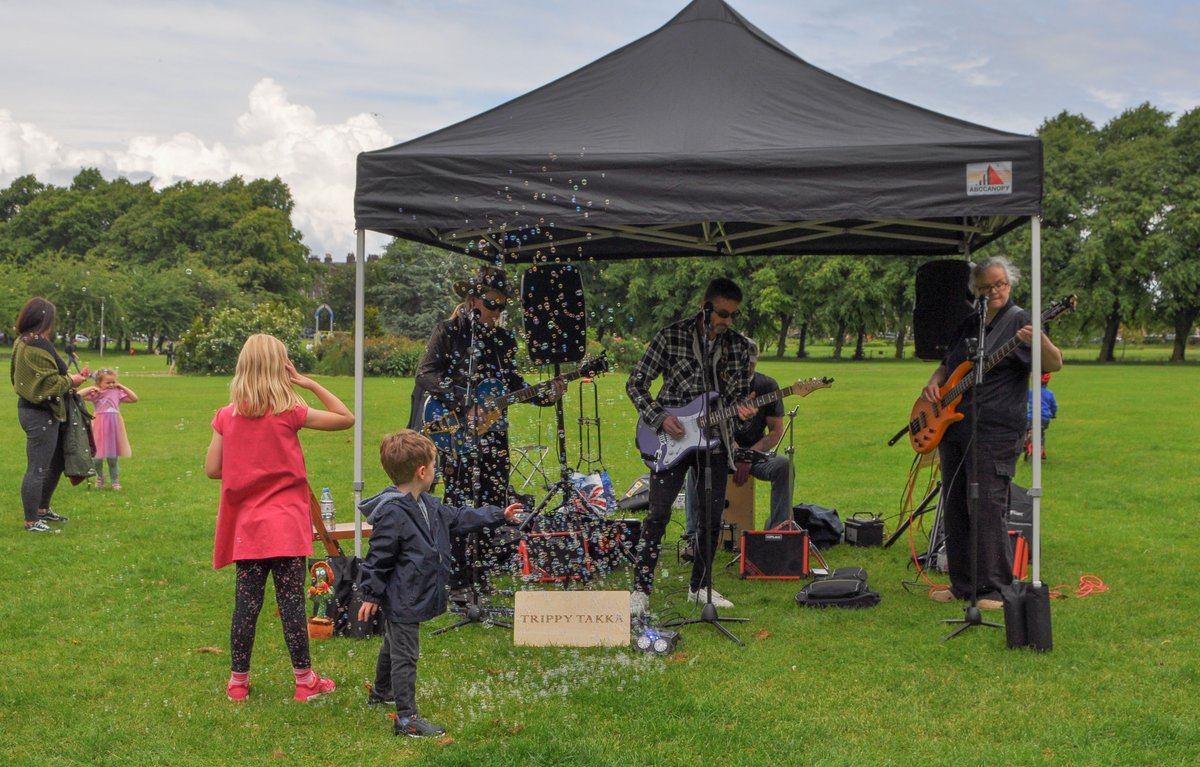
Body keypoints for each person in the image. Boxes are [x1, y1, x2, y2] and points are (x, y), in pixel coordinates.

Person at [204, 333, 354, 702]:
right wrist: (308, 383)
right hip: (285, 525)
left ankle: (238, 683)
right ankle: (305, 682)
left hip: (249, 528)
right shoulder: (291, 412)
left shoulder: (226, 416)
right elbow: (345, 418)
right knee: (291, 604)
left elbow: (212, 469)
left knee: (246, 604)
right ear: (280, 368)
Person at [357, 429, 524, 737]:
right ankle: (406, 718)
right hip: (403, 596)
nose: (437, 470)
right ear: (423, 472)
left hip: (415, 594)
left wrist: (498, 515)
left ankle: (381, 692)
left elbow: (460, 518)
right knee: (406, 654)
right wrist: (370, 594)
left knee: (394, 643)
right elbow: (378, 557)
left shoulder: (428, 504)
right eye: (434, 465)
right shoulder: (394, 513)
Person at [919, 256, 1062, 610]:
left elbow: (1055, 362)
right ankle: (963, 583)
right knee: (954, 505)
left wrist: (1039, 339)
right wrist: (935, 382)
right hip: (954, 426)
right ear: (975, 291)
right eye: (985, 287)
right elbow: (948, 364)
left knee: (986, 506)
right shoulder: (969, 322)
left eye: (1000, 285)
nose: (994, 292)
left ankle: (995, 588)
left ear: (1009, 284)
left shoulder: (1020, 321)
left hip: (995, 430)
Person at [412, 266, 563, 589]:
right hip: (455, 432)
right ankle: (458, 574)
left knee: (494, 498)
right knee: (458, 501)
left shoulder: (503, 341)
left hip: (493, 434)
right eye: (491, 304)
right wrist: (464, 403)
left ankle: (485, 571)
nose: (496, 312)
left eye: (501, 306)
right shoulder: (448, 332)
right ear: (472, 299)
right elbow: (425, 374)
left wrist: (546, 395)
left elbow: (513, 386)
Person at [625, 277, 757, 616]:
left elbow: (739, 405)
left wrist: (744, 413)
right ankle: (640, 590)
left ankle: (700, 586)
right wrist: (658, 417)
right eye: (722, 313)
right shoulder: (672, 336)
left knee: (712, 518)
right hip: (670, 438)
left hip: (713, 439)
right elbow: (636, 382)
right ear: (705, 306)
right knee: (658, 514)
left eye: (733, 315)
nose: (727, 321)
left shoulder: (741, 348)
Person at [682, 346, 794, 543]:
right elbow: (706, 427)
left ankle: (779, 533)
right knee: (696, 465)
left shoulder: (767, 385)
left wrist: (748, 456)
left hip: (755, 454)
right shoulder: (716, 386)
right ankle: (693, 536)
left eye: (750, 363)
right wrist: (734, 453)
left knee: (784, 466)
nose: (746, 367)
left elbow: (775, 432)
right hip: (720, 452)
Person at [11, 297, 89, 533]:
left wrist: (69, 382)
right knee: (38, 467)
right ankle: (31, 520)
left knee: (54, 463)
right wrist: (71, 380)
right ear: (44, 319)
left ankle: (42, 510)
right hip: (40, 414)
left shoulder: (23, 341)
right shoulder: (36, 345)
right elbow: (48, 384)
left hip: (35, 411)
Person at [77, 368, 139, 490]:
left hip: (114, 426)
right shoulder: (95, 394)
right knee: (97, 458)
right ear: (99, 382)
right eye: (108, 382)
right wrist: (90, 388)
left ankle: (115, 481)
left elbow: (134, 398)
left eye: (113, 382)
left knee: (112, 457)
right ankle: (100, 476)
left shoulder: (117, 392)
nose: (111, 385)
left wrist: (121, 386)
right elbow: (77, 395)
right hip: (99, 426)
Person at [1026, 372, 1058, 460]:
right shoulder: (1050, 394)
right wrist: (1053, 414)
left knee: (1027, 429)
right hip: (1044, 419)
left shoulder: (1031, 392)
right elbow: (1054, 406)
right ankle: (1041, 449)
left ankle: (1027, 441)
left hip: (1030, 418)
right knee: (1042, 434)